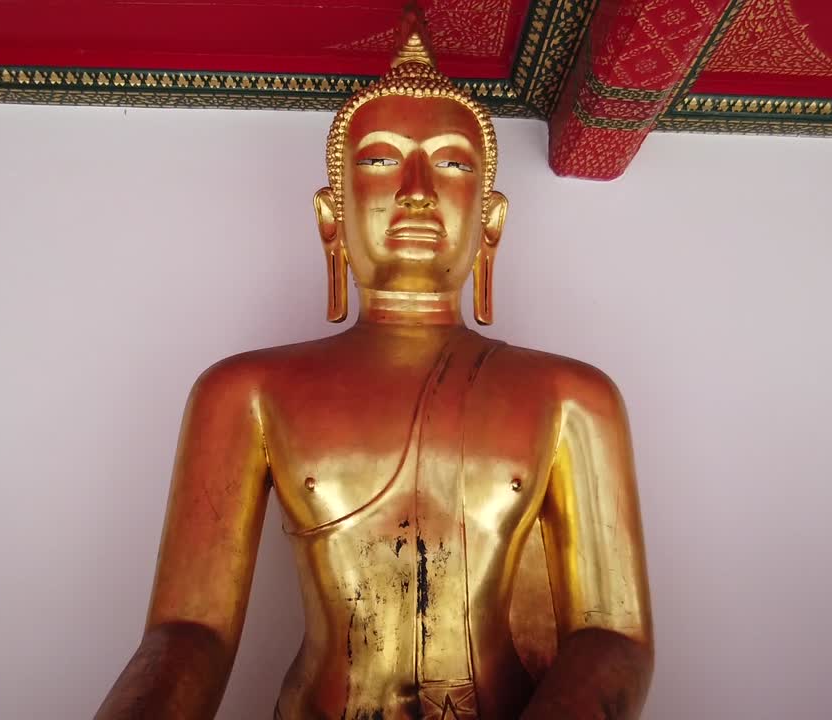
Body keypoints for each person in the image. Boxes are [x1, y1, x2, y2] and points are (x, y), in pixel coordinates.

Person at [97, 9, 653, 719]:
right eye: (381, 159)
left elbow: (614, 635)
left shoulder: (574, 396)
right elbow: (188, 630)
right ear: (331, 218)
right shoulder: (246, 392)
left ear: (491, 221)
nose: (416, 188)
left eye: (453, 163)